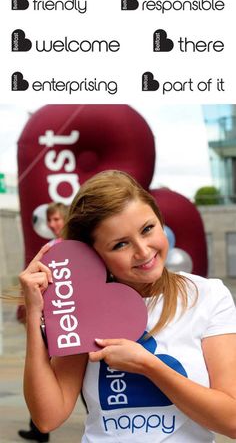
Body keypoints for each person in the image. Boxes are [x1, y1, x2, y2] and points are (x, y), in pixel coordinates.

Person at [19, 170, 236, 442]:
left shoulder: (207, 296)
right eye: (120, 244)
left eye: (148, 229)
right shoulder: (82, 304)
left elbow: (231, 420)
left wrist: (149, 366)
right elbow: (47, 417)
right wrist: (36, 311)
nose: (144, 251)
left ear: (161, 221)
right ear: (93, 253)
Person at [18, 202, 68, 442]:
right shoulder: (50, 248)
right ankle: (39, 429)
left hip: (69, 321)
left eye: (57, 219)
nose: (52, 224)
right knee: (42, 372)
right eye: (50, 220)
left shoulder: (75, 247)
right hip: (52, 321)